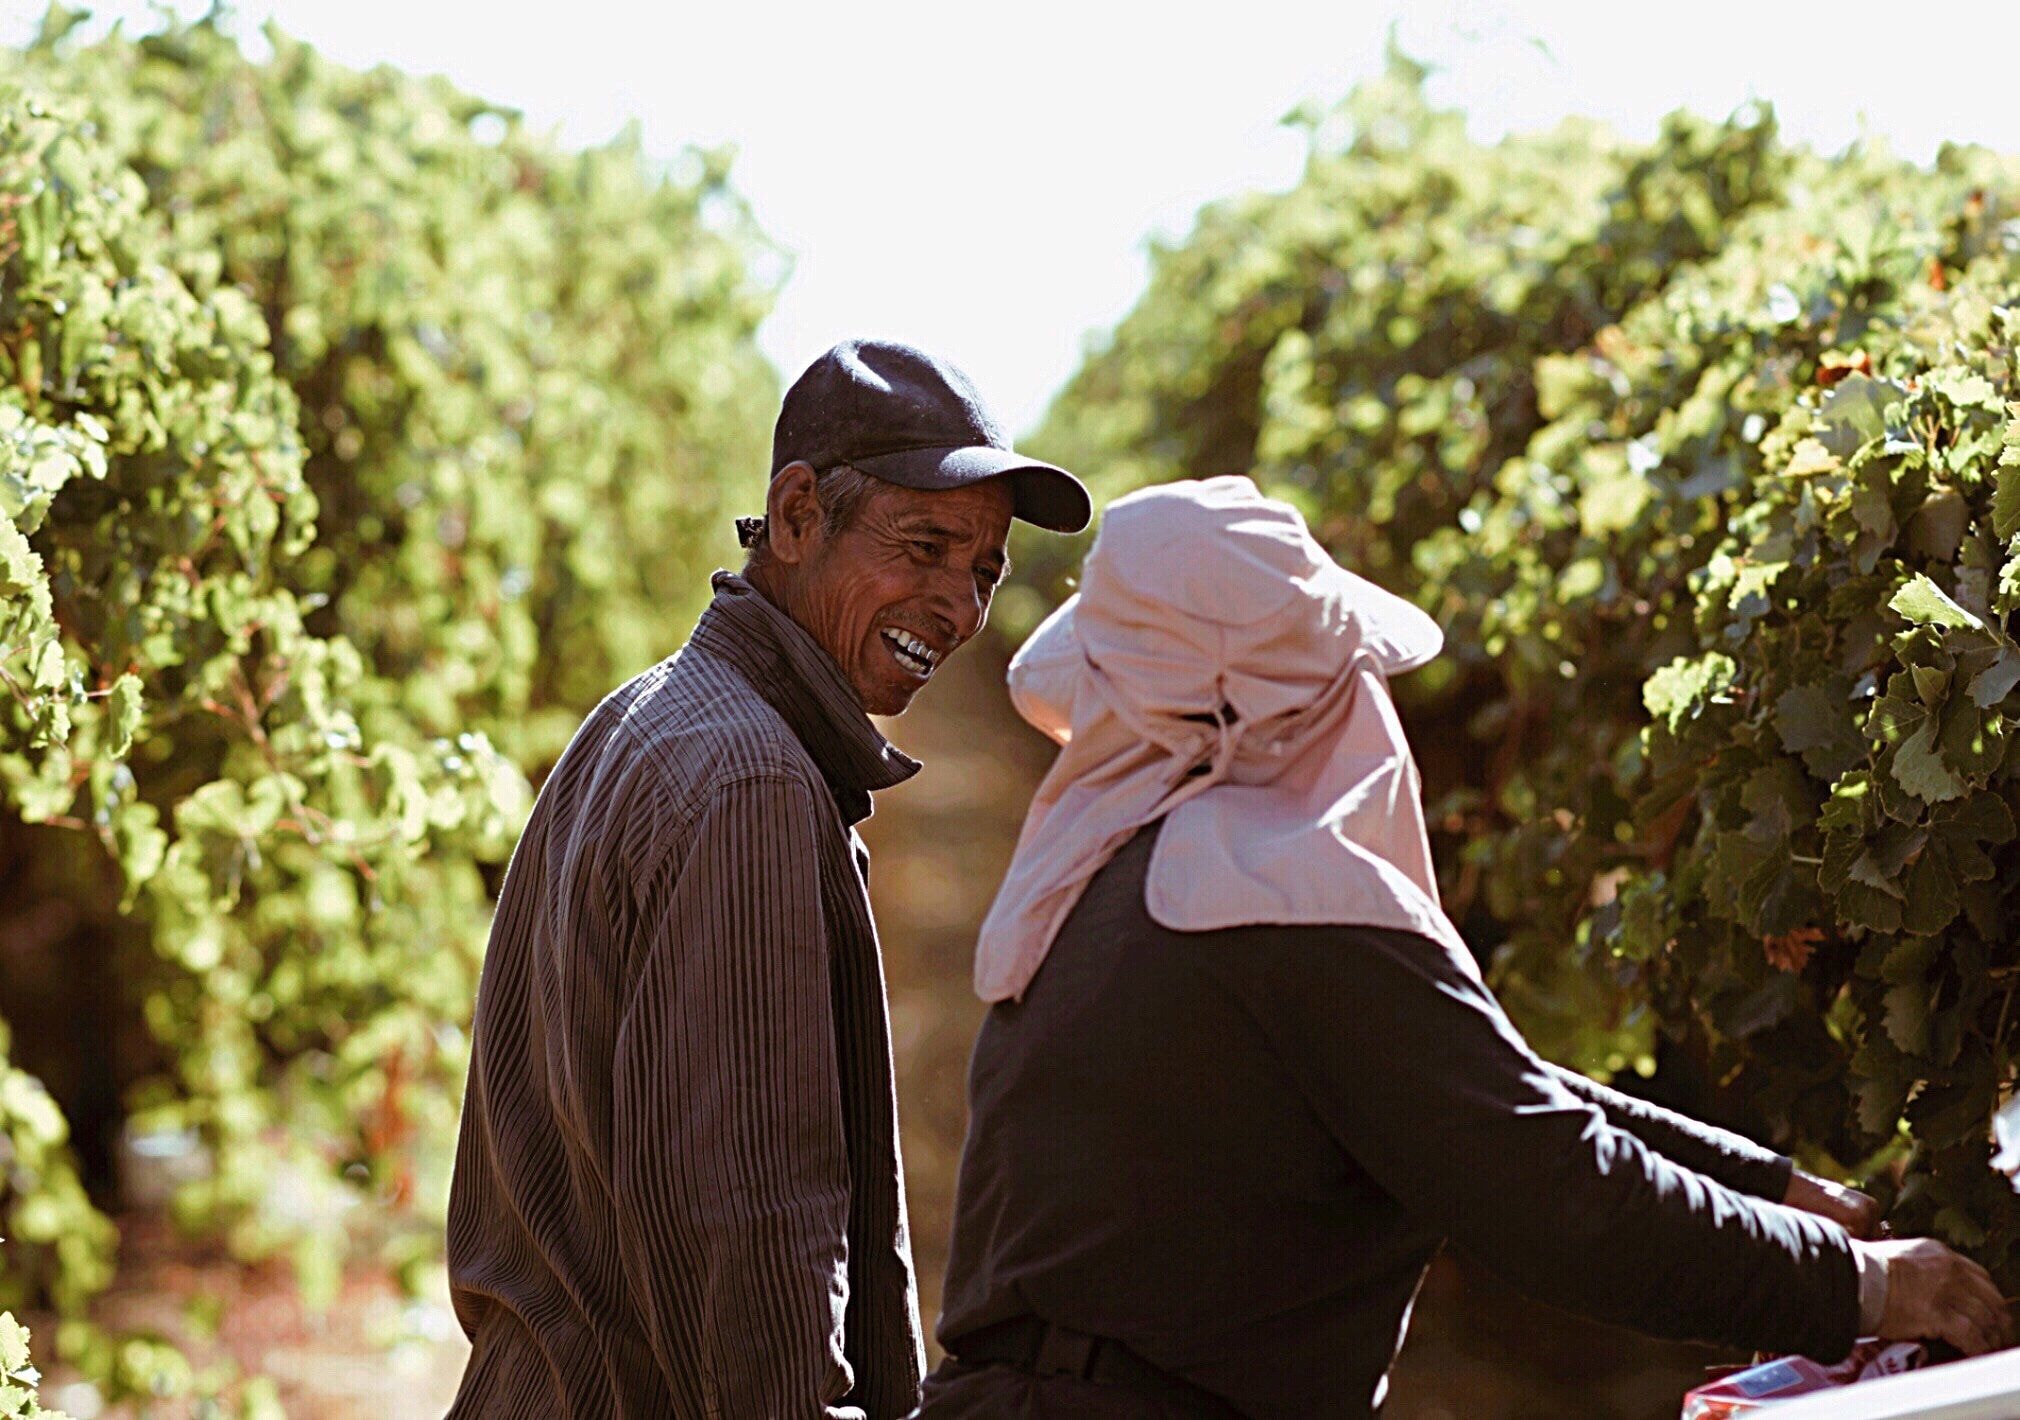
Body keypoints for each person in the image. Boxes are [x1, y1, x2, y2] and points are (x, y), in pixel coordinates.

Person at [922, 475, 2010, 1419]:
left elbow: (1481, 1086)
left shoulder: (1136, 875)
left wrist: (1773, 1186)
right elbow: (1547, 1187)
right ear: (1289, 703)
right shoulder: (1260, 884)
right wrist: (1863, 1287)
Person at [443, 339, 1090, 1418]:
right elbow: (757, 1239)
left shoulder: (641, 718)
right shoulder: (751, 786)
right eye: (923, 544)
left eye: (983, 571)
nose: (957, 605)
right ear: (796, 516)